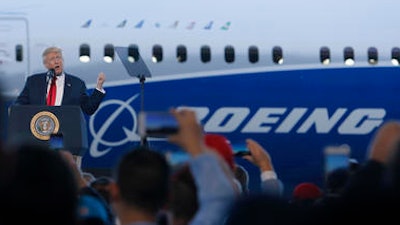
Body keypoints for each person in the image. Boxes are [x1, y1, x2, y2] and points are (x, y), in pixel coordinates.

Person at [14, 46, 106, 115]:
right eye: (52, 59)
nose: (56, 61)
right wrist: (14, 110)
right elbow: (20, 103)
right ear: (46, 64)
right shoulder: (33, 82)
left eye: (58, 58)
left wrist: (99, 87)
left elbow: (89, 108)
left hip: (64, 134)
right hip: (38, 133)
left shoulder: (77, 84)